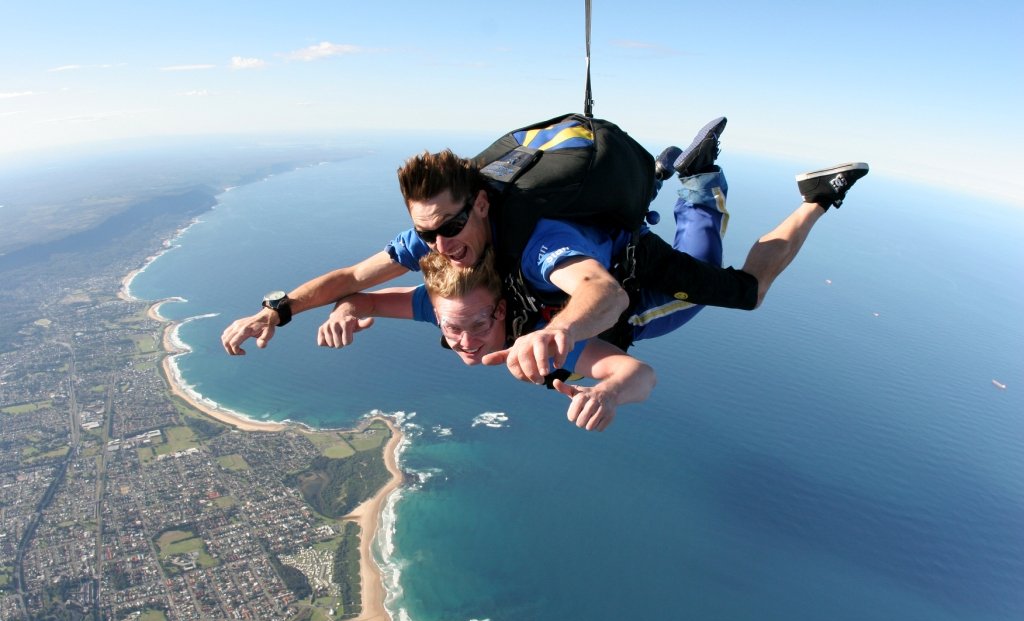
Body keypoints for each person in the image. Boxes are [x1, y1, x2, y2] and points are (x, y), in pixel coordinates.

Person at [220, 117, 868, 385]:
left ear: (478, 202)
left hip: (635, 282)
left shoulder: (533, 244)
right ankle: (680, 176)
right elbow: (352, 280)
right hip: (603, 250)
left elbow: (603, 295)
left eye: (446, 228)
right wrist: (277, 310)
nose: (438, 245)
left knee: (743, 290)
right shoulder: (441, 257)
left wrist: (551, 338)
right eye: (424, 234)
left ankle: (809, 196)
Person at [323, 248, 657, 432]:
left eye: (479, 322)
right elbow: (362, 299)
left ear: (501, 310)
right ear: (436, 314)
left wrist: (607, 394)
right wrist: (344, 313)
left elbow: (641, 374)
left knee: (700, 269)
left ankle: (697, 183)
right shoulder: (445, 305)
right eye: (451, 327)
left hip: (646, 304)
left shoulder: (538, 339)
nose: (466, 340)